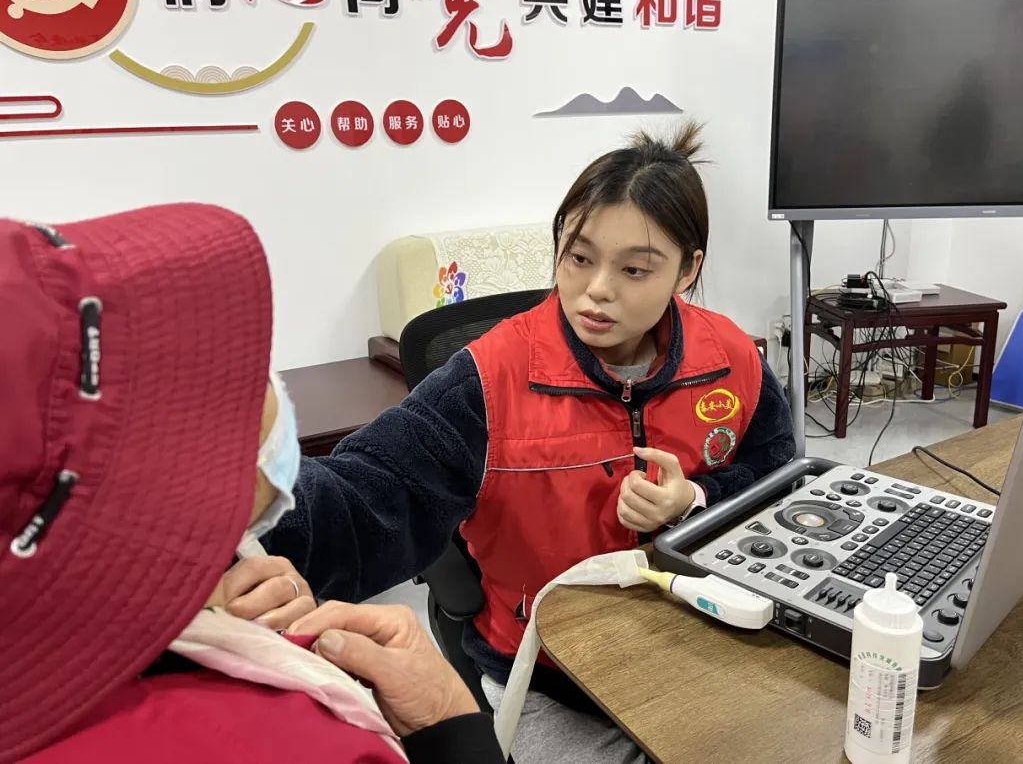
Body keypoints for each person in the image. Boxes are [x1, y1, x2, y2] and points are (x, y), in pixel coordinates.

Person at [265, 124, 797, 763]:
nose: (597, 289)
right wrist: (249, 511)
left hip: (697, 643)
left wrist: (696, 499)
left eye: (634, 269)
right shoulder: (488, 379)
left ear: (688, 270)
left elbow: (781, 476)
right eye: (578, 257)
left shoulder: (731, 357)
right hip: (549, 673)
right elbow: (369, 495)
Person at [0, 206, 502, 764]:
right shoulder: (301, 742)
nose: (266, 384)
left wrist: (194, 612)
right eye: (234, 373)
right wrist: (450, 725)